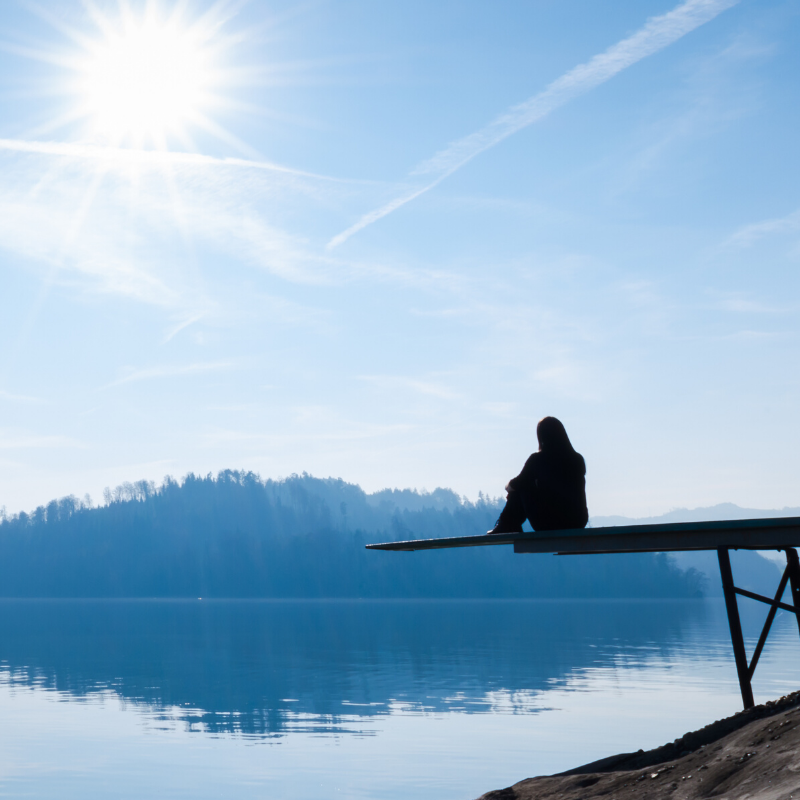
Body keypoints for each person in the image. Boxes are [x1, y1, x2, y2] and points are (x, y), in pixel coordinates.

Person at [488, 416, 588, 534]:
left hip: (550, 524)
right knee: (524, 483)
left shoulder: (538, 459)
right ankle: (508, 524)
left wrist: (508, 487)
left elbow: (516, 484)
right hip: (578, 522)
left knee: (523, 486)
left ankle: (507, 524)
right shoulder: (577, 459)